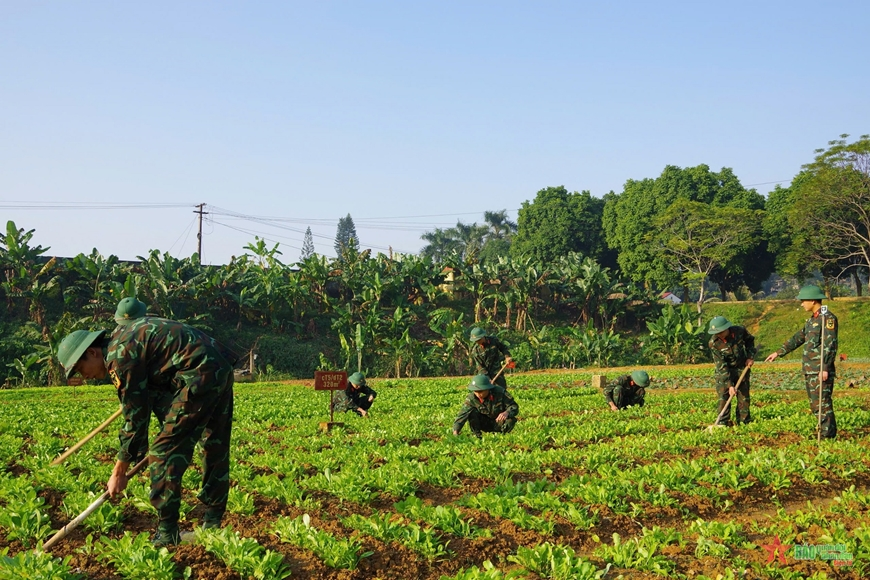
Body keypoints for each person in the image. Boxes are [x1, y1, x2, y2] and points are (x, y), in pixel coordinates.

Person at [57, 316, 238, 547]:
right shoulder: (123, 339)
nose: (84, 377)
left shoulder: (119, 358)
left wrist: (119, 470)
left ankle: (167, 533)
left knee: (163, 453)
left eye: (80, 369)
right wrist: (156, 437)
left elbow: (135, 417)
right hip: (218, 366)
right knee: (214, 443)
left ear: (92, 352)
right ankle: (213, 524)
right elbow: (155, 396)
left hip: (198, 374)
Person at [764, 285, 838, 439]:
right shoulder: (812, 320)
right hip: (810, 369)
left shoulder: (828, 319)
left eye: (803, 300)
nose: (802, 303)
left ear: (813, 300)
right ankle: (823, 431)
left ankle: (827, 435)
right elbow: (798, 338)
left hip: (820, 369)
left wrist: (825, 367)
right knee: (815, 404)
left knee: (823, 403)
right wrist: (778, 352)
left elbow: (830, 345)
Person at [707, 316, 756, 426]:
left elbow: (750, 341)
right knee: (723, 397)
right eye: (716, 333)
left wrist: (750, 356)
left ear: (727, 328)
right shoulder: (713, 343)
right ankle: (722, 423)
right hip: (725, 371)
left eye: (721, 332)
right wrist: (729, 385)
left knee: (743, 396)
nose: (719, 335)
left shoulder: (739, 331)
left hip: (741, 368)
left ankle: (743, 422)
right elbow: (721, 366)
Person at [452, 374, 519, 438]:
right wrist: (455, 431)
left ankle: (502, 435)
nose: (478, 394)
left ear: (488, 388)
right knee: (472, 413)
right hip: (484, 423)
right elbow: (462, 416)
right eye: (475, 391)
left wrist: (507, 412)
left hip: (499, 422)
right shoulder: (471, 398)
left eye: (480, 391)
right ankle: (477, 436)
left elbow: (514, 406)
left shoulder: (500, 392)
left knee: (511, 420)